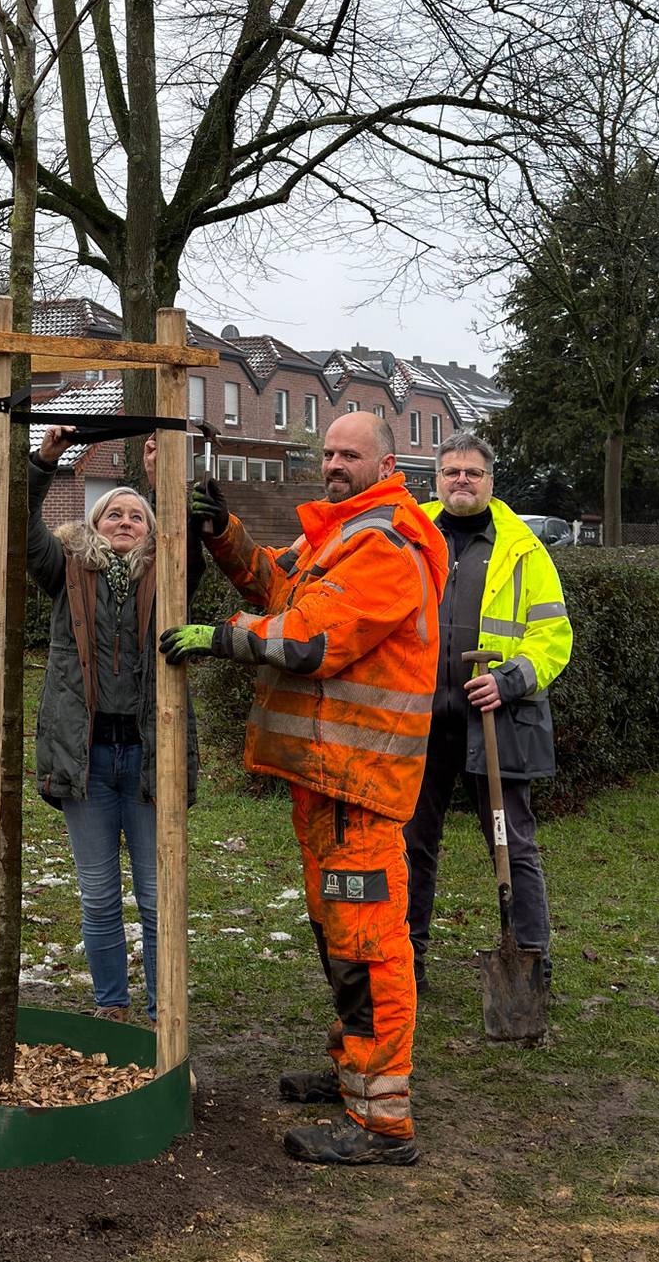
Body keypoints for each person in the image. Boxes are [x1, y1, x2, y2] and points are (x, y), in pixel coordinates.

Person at [163, 411, 445, 1167]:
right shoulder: (337, 535)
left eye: (350, 454)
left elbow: (310, 636)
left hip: (360, 784)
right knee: (337, 935)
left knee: (369, 947)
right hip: (327, 782)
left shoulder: (386, 544)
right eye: (328, 453)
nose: (334, 464)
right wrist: (223, 535)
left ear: (387, 466)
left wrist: (221, 636)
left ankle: (382, 1123)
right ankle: (355, 1069)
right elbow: (281, 586)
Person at [26, 426, 199, 1023]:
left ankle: (160, 1013)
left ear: (151, 530)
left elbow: (189, 543)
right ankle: (112, 1009)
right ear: (94, 526)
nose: (126, 522)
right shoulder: (67, 571)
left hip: (151, 759)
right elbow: (23, 530)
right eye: (114, 514)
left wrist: (160, 480)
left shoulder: (168, 574)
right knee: (99, 896)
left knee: (156, 897)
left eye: (137, 516)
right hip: (88, 759)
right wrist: (45, 461)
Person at [405, 432, 571, 991]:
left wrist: (508, 681)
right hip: (422, 719)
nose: (461, 480)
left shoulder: (523, 548)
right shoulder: (409, 535)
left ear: (490, 481)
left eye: (472, 472)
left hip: (496, 722)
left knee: (511, 843)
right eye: (451, 471)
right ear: (436, 480)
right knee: (411, 844)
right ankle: (406, 961)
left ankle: (530, 962)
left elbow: (553, 636)